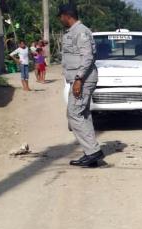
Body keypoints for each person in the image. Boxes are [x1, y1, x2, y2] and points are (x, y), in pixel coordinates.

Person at [59, 4, 105, 167]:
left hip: (83, 80)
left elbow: (87, 57)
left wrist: (78, 79)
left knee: (74, 114)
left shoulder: (81, 32)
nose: (60, 20)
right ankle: (90, 153)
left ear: (66, 15)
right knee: (83, 115)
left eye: (61, 16)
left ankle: (93, 151)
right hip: (80, 79)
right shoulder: (74, 32)